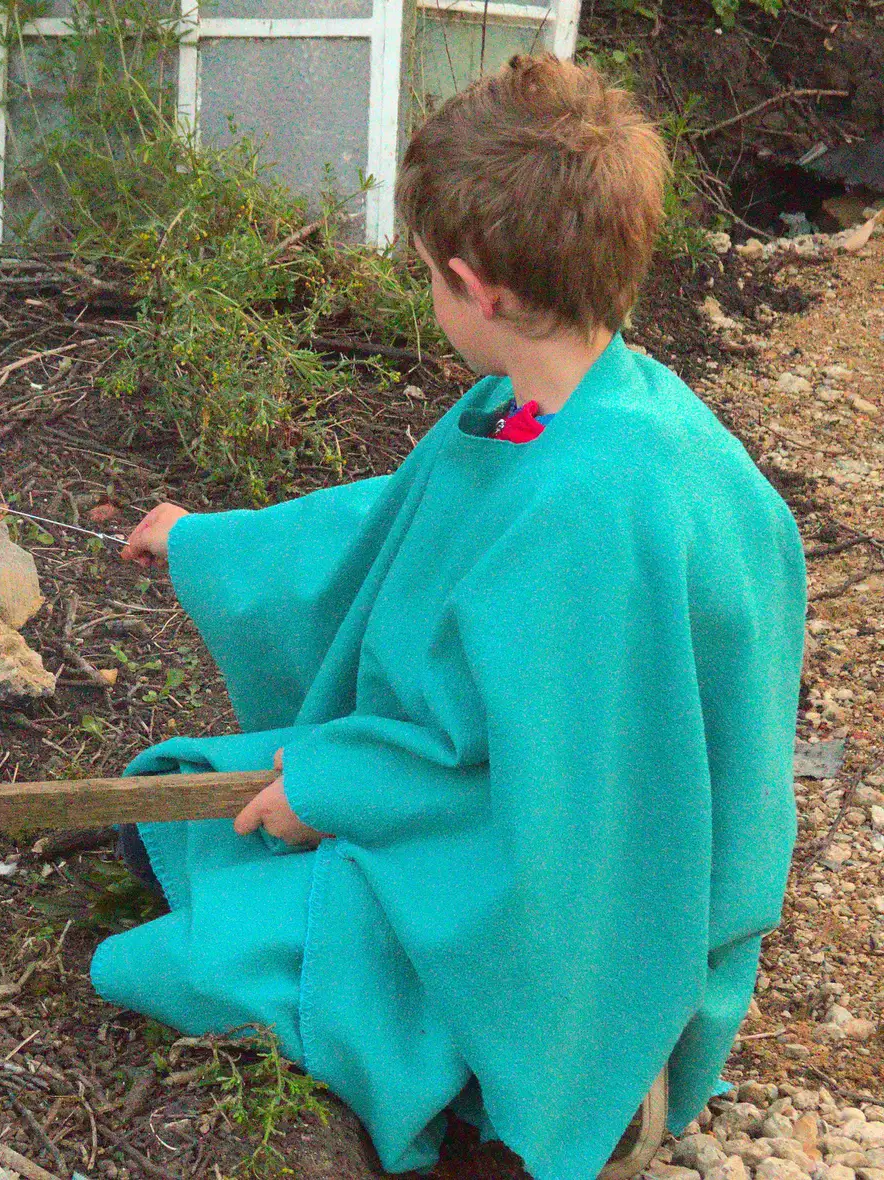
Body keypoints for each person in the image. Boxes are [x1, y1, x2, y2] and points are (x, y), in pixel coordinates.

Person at [92, 54, 805, 1180]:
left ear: (478, 287)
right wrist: (203, 541)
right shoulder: (566, 408)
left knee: (175, 958)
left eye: (426, 274)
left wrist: (333, 790)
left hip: (586, 916)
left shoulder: (593, 518)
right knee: (162, 809)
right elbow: (390, 532)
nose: (430, 296)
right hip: (545, 828)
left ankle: (563, 1096)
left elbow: (549, 796)